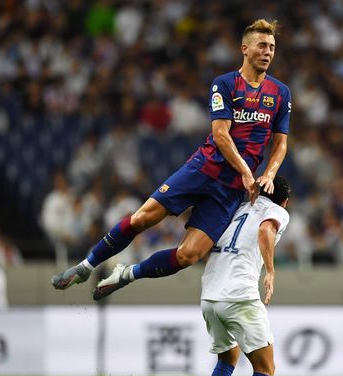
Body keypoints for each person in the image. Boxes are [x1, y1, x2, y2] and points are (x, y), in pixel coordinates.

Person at [50, 19, 291, 299]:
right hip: (204, 169)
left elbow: (281, 142)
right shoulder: (225, 84)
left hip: (231, 190)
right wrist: (247, 172)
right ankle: (85, 267)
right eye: (262, 45)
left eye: (272, 47)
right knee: (142, 219)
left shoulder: (280, 92)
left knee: (189, 255)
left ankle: (127, 274)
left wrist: (269, 173)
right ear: (244, 49)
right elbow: (221, 135)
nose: (268, 52)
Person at [202, 176, 290, 376]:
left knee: (227, 359)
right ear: (285, 201)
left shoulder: (237, 208)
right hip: (239, 295)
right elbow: (265, 229)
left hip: (210, 294)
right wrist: (271, 271)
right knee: (265, 368)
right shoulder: (276, 211)